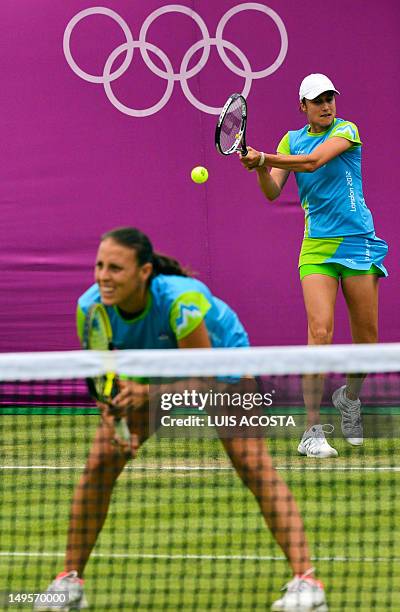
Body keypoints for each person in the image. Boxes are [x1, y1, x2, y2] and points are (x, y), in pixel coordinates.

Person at [35, 227, 327, 611]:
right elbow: (102, 379)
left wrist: (148, 396)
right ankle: (68, 581)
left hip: (221, 365)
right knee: (99, 465)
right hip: (148, 367)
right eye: (99, 266)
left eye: (116, 268)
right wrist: (114, 418)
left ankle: (307, 583)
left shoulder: (181, 303)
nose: (104, 277)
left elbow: (202, 381)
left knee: (252, 464)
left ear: (143, 272)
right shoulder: (90, 308)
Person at [239, 73, 388, 459]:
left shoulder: (347, 130)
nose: (326, 106)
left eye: (330, 99)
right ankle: (310, 431)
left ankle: (349, 398)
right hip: (317, 248)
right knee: (319, 333)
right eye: (317, 100)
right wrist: (259, 167)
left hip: (359, 242)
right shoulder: (290, 139)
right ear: (302, 106)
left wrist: (264, 156)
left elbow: (313, 162)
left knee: (367, 341)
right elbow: (273, 190)